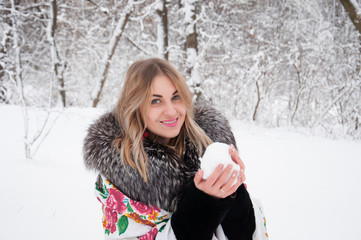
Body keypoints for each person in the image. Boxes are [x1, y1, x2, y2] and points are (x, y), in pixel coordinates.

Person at [83, 58, 256, 240]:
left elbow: (244, 234)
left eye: (176, 97)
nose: (171, 111)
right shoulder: (121, 169)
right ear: (135, 107)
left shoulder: (207, 145)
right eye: (156, 101)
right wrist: (204, 201)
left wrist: (234, 193)